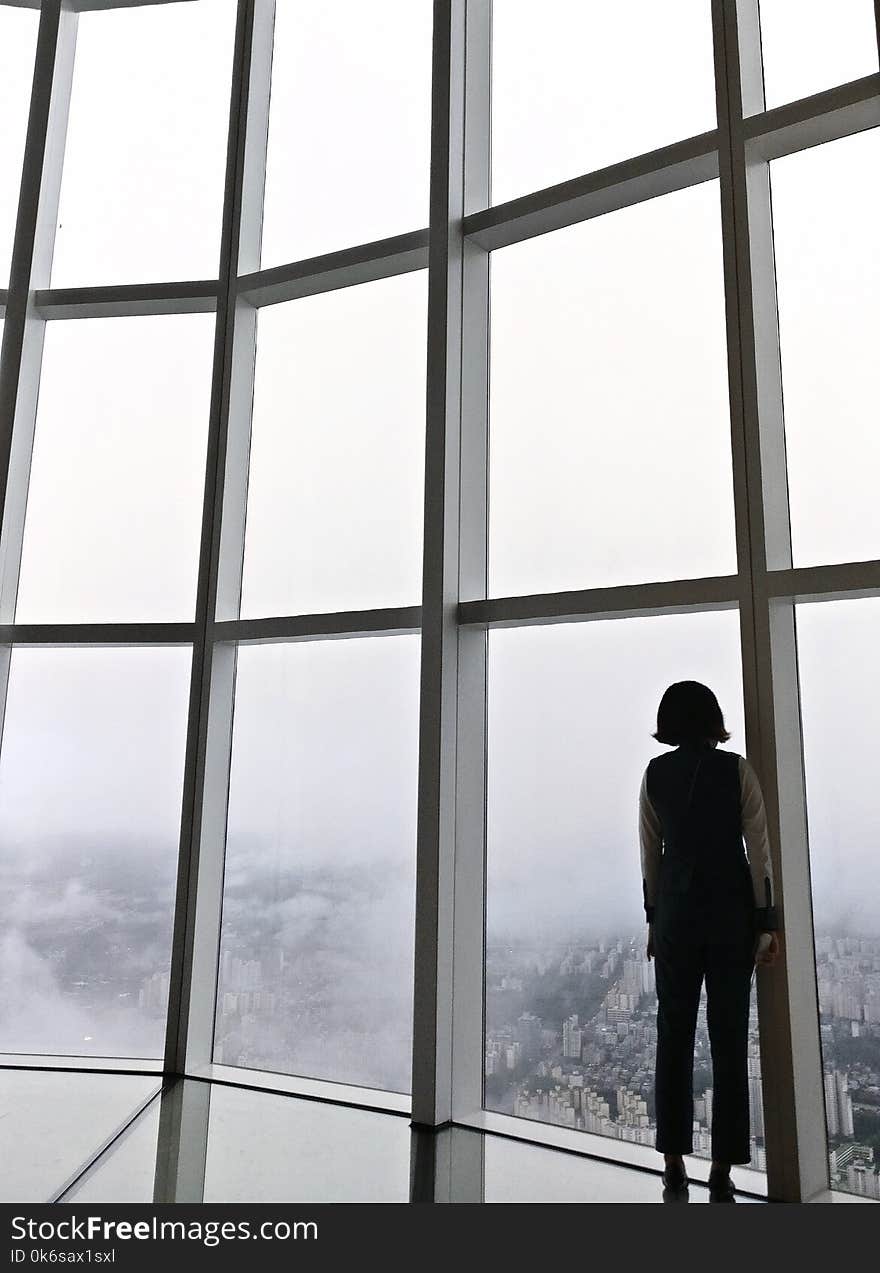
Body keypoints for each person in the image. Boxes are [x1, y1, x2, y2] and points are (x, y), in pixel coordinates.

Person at [638, 681, 780, 1202]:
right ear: (716, 721)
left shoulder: (654, 775)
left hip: (675, 916)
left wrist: (655, 920)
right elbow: (758, 851)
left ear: (669, 723)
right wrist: (767, 923)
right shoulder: (737, 771)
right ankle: (721, 1171)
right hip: (730, 917)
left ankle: (674, 1164)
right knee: (728, 1041)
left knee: (672, 1036)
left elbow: (650, 854)